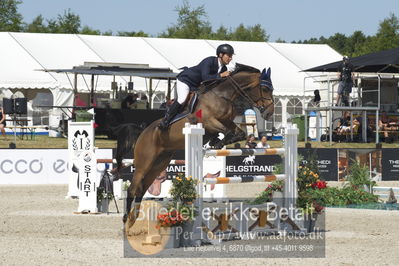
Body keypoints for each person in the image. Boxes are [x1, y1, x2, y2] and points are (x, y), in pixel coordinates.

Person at [158, 43, 235, 130]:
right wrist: (221, 75)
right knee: (182, 99)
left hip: (196, 85)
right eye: (229, 55)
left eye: (231, 56)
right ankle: (165, 120)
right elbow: (205, 78)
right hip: (186, 80)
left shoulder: (223, 68)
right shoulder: (209, 61)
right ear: (221, 55)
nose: (231, 58)